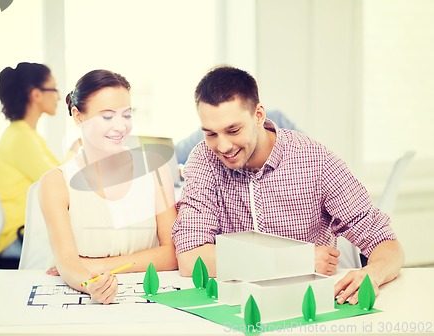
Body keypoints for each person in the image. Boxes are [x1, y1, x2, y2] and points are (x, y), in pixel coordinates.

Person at [172, 65, 404, 305]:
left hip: (308, 305)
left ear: (259, 115)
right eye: (211, 134)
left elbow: (387, 244)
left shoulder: (314, 159)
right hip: (232, 305)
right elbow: (191, 258)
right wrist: (296, 261)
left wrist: (372, 274)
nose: (222, 146)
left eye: (233, 130)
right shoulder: (203, 159)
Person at [39, 69, 178, 304]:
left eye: (126, 115)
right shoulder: (55, 183)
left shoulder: (155, 170)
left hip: (151, 296)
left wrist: (97, 265)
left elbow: (172, 254)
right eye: (107, 116)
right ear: (78, 116)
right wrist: (90, 283)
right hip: (88, 299)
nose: (121, 126)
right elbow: (67, 263)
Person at [0, 62, 64, 269]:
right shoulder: (22, 139)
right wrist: (77, 149)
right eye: (54, 89)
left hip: (19, 237)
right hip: (18, 240)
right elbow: (60, 181)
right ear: (36, 94)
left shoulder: (23, 134)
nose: (58, 96)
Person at [175, 110, 300, 165]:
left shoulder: (277, 119)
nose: (224, 147)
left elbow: (303, 150)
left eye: (234, 131)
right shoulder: (203, 134)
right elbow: (175, 154)